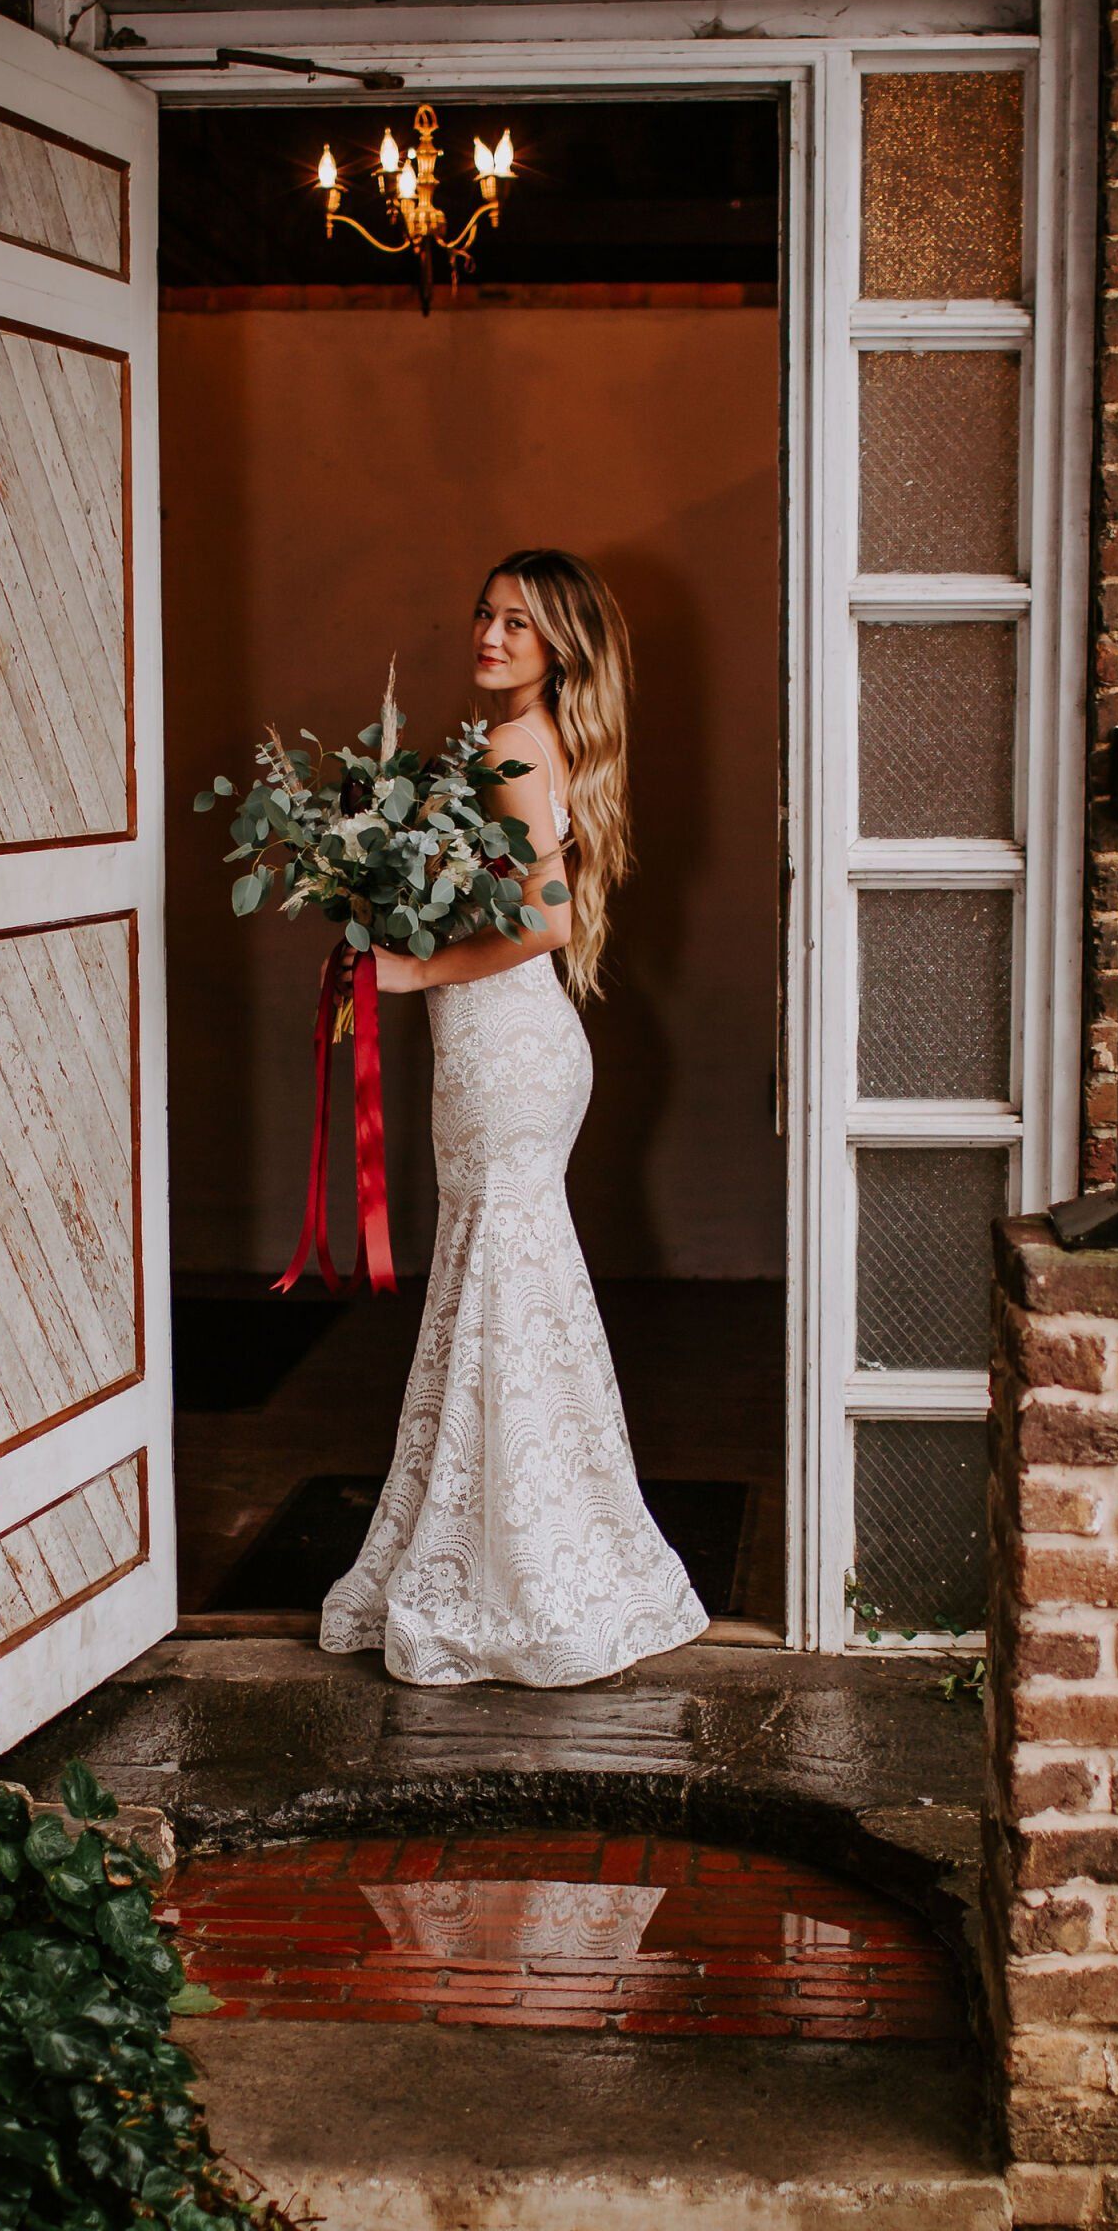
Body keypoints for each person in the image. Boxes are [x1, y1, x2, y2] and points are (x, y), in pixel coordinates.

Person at [320, 549, 709, 1686]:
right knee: (510, 1290)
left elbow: (540, 922)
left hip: (507, 1053)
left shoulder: (510, 748)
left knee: (503, 1288)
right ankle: (534, 1544)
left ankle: (533, 1572)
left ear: (559, 650)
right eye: (484, 614)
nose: (489, 636)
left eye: (518, 626)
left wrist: (410, 974)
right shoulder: (527, 744)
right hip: (509, 1052)